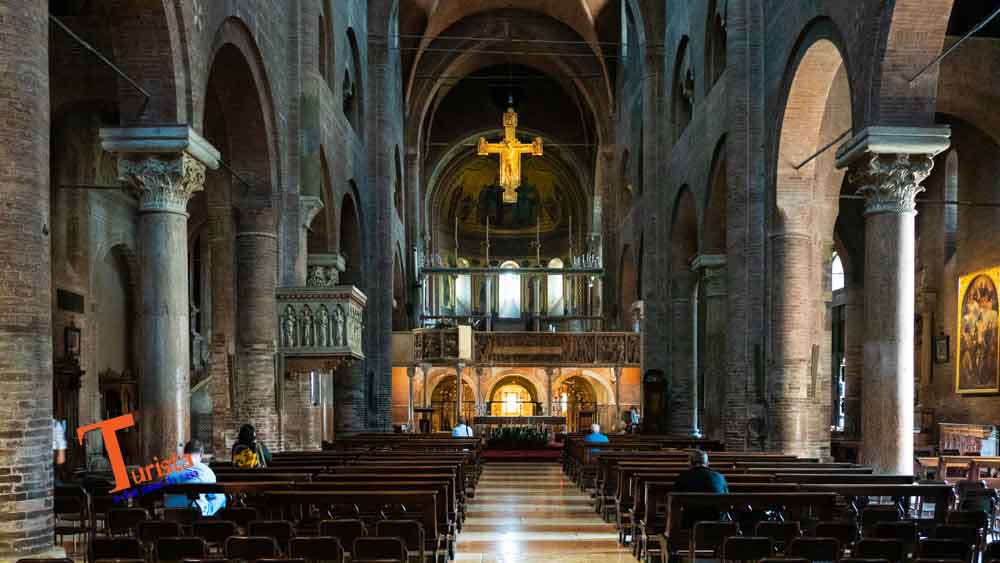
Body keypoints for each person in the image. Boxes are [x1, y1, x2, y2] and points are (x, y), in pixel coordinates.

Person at [165, 439, 226, 516]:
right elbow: (212, 495)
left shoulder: (171, 468)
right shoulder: (207, 471)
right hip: (195, 512)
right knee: (221, 497)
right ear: (201, 454)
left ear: (184, 454)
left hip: (171, 512)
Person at [673, 449, 729, 527]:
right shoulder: (719, 477)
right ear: (707, 463)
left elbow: (675, 500)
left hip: (690, 521)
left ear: (690, 463)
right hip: (717, 521)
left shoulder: (683, 477)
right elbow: (726, 498)